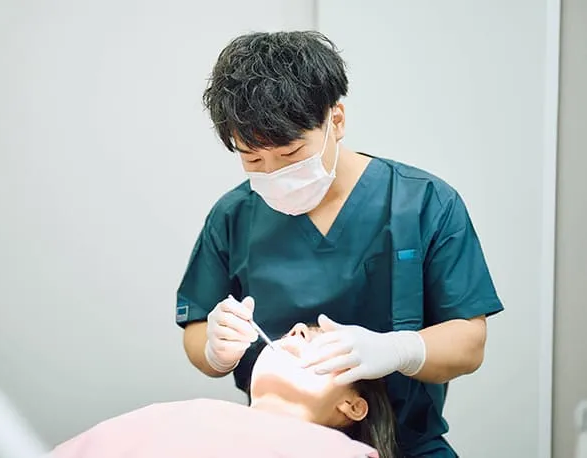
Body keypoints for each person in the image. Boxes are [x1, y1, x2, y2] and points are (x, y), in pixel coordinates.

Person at [175, 30, 504, 457]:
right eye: (252, 158)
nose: (272, 172)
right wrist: (215, 349)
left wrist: (397, 350)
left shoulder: (424, 203)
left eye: (290, 154)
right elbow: (197, 328)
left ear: (336, 121)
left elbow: (469, 342)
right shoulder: (234, 216)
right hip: (273, 441)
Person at [51, 323, 397, 458]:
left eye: (322, 340)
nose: (296, 330)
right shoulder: (164, 417)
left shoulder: (344, 454)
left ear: (353, 406)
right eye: (294, 332)